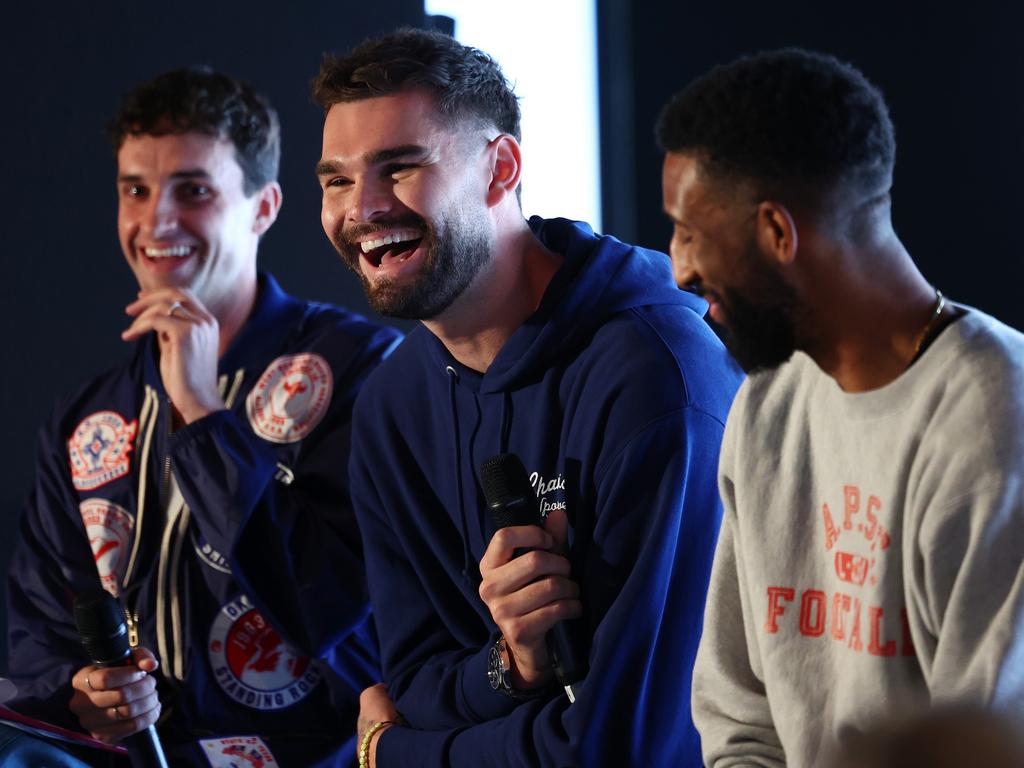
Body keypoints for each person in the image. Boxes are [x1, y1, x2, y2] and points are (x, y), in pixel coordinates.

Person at [312, 28, 743, 768]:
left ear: (500, 168)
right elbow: (412, 682)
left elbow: (626, 747)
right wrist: (512, 668)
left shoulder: (657, 379)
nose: (363, 208)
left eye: (401, 167)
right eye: (338, 181)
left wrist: (396, 756)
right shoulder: (391, 401)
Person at [6, 67, 401, 767]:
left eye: (193, 191)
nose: (156, 222)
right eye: (135, 189)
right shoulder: (88, 417)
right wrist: (83, 686)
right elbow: (38, 635)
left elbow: (331, 609)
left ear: (264, 208)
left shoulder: (362, 368)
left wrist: (201, 408)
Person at [656, 48, 1024, 767]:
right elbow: (738, 718)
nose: (678, 267)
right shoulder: (767, 405)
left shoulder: (994, 420)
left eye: (690, 232)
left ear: (778, 233)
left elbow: (987, 749)